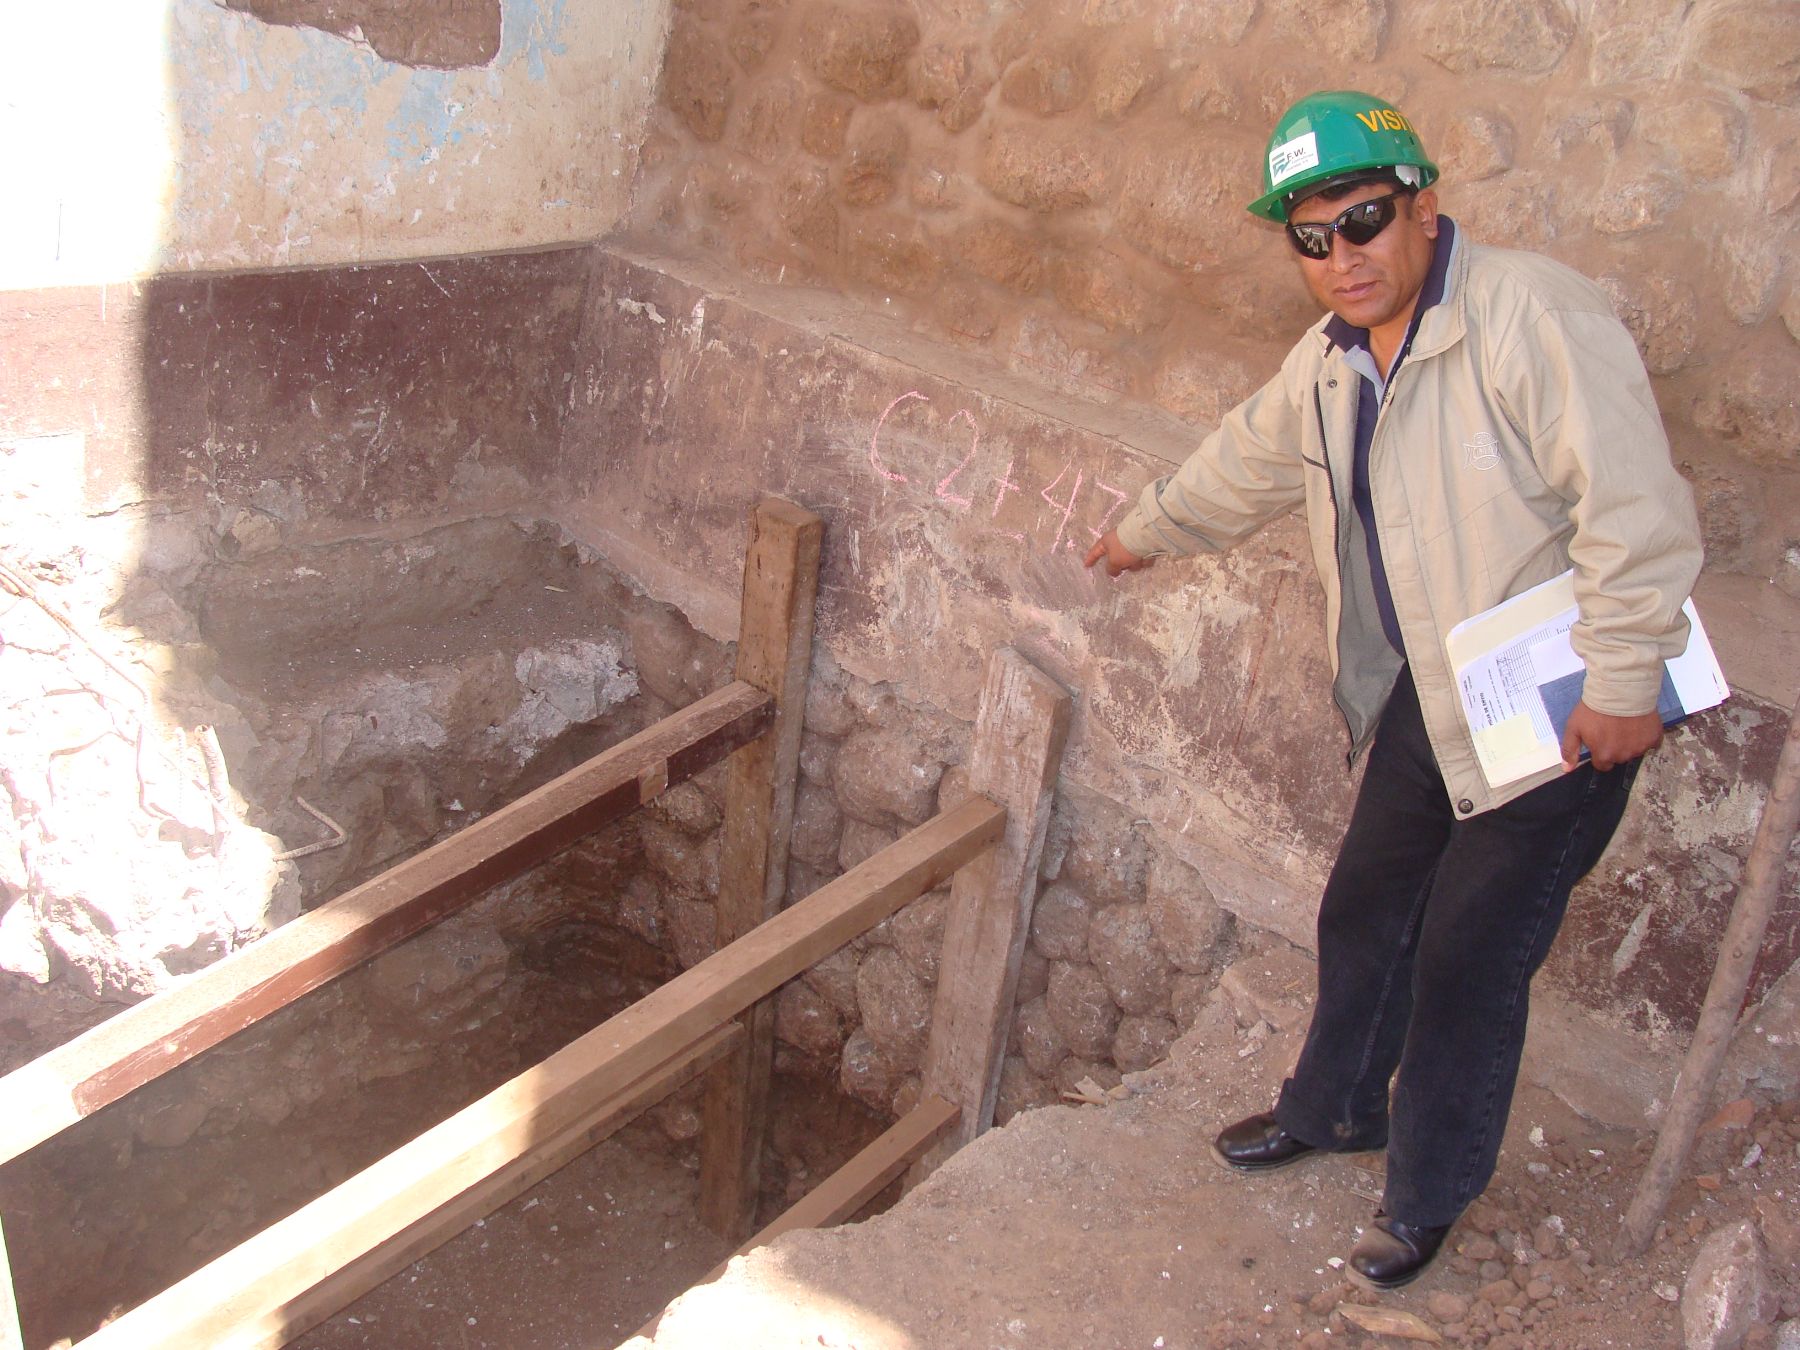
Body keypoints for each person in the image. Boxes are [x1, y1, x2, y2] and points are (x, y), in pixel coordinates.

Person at [1084, 90, 1703, 1291]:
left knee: (1472, 952)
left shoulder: (1528, 317)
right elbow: (1251, 455)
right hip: (1444, 685)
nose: (1341, 257)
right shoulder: (1330, 362)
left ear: (1422, 203)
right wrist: (1144, 532)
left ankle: (1425, 1197)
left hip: (1563, 699)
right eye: (1312, 238)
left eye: (1363, 220)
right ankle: (1335, 1109)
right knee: (1367, 905)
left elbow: (1635, 510)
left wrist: (1626, 680)